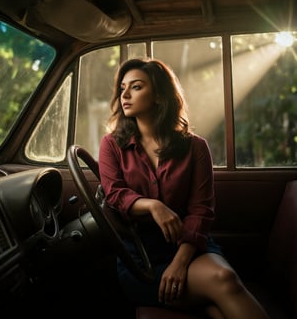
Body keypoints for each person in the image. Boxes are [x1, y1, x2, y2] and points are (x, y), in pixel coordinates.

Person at [98, 57, 270, 319]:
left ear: (158, 95)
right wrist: (154, 206)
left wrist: (180, 262)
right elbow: (114, 194)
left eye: (136, 87)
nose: (125, 95)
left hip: (189, 246)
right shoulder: (111, 145)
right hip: (140, 258)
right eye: (123, 88)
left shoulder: (196, 147)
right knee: (217, 301)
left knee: (224, 278)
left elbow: (202, 211)